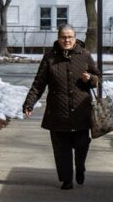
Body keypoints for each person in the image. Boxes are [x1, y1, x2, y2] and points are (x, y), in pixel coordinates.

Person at [22, 25, 101, 189]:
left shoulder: (85, 55)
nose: (67, 40)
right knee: (61, 149)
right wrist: (29, 103)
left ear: (75, 38)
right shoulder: (49, 58)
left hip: (81, 111)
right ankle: (67, 179)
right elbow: (39, 84)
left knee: (82, 144)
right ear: (58, 38)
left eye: (70, 37)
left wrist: (91, 79)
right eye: (63, 37)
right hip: (58, 112)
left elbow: (97, 77)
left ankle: (80, 167)